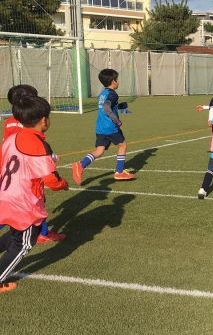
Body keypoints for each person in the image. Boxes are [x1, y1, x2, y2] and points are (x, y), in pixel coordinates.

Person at [0, 95, 69, 292]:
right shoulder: (37, 144)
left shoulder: (11, 139)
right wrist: (62, 184)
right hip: (23, 201)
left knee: (16, 234)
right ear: (44, 120)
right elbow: (50, 179)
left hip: (6, 194)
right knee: (24, 242)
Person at [3, 85, 65, 243]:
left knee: (8, 209)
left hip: (11, 171)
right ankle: (43, 233)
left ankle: (41, 232)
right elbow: (33, 148)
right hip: (28, 174)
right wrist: (49, 158)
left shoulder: (9, 122)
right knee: (34, 203)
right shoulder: (28, 124)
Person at [72, 69, 135, 185]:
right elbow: (107, 108)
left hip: (100, 127)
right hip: (110, 127)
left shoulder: (103, 93)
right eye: (117, 79)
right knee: (122, 145)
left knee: (99, 150)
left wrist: (120, 106)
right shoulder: (113, 94)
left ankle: (80, 165)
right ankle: (119, 172)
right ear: (113, 81)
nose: (118, 81)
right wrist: (116, 120)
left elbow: (107, 106)